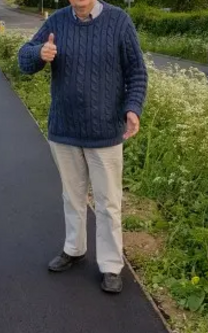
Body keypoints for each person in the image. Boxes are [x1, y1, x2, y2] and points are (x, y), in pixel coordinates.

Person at [17, 0, 147, 293]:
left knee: (108, 203)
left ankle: (112, 265)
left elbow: (137, 73)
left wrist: (133, 108)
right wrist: (40, 53)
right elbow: (23, 60)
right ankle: (74, 249)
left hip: (105, 133)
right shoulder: (57, 22)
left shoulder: (119, 22)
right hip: (64, 130)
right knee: (72, 197)